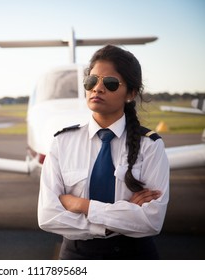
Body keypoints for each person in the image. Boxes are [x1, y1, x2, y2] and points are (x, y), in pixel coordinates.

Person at [37, 45, 169, 260]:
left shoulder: (151, 146)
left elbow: (151, 221)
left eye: (110, 83)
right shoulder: (62, 142)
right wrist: (111, 225)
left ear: (131, 93)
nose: (97, 88)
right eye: (92, 81)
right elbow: (48, 216)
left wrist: (82, 205)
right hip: (76, 256)